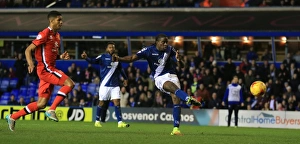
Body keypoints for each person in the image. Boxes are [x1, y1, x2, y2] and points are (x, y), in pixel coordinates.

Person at [113, 33, 201, 135]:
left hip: (172, 75)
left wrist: (179, 60)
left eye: (166, 42)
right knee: (171, 87)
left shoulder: (170, 49)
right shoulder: (148, 50)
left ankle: (176, 129)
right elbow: (132, 58)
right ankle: (187, 98)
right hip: (159, 77)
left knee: (176, 99)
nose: (165, 44)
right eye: (163, 42)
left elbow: (181, 66)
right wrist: (119, 58)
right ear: (157, 42)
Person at [5, 11, 75, 131]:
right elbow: (28, 50)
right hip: (46, 70)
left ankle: (13, 116)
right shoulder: (44, 34)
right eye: (59, 20)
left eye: (61, 20)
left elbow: (50, 55)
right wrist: (31, 63)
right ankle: (52, 109)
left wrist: (60, 57)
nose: (61, 22)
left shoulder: (57, 36)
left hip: (48, 70)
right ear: (51, 21)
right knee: (70, 84)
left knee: (41, 104)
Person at [81, 41, 129, 128]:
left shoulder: (117, 58)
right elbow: (93, 61)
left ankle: (120, 122)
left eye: (113, 47)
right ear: (107, 49)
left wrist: (125, 78)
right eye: (110, 47)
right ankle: (97, 121)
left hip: (115, 84)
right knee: (101, 102)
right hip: (105, 84)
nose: (111, 49)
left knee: (117, 102)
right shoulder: (102, 57)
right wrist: (86, 58)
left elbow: (121, 69)